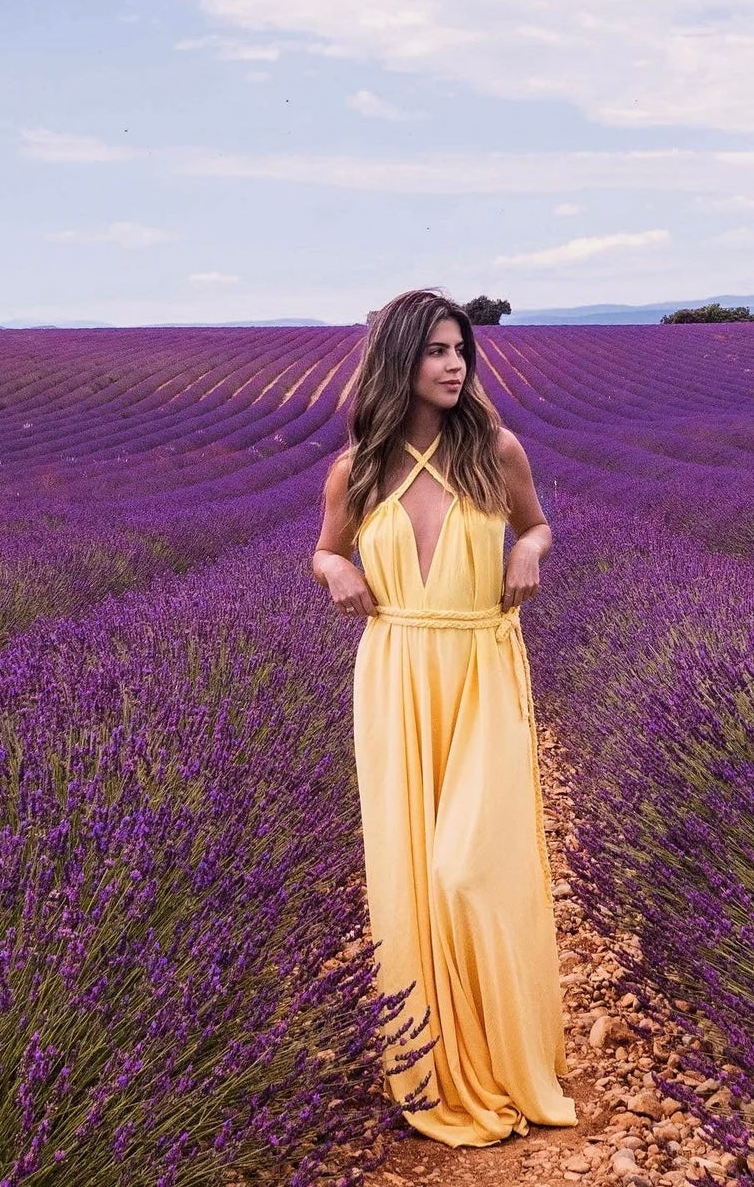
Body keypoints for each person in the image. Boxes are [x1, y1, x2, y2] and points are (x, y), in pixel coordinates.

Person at [311, 288, 578, 1148]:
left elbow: (537, 529)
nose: (454, 362)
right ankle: (430, 1062)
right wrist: (333, 572)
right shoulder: (356, 469)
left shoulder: (496, 452)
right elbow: (326, 546)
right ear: (398, 359)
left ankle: (504, 1056)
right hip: (393, 671)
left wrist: (527, 553)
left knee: (467, 864)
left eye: (460, 347)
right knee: (410, 873)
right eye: (433, 349)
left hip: (481, 667)